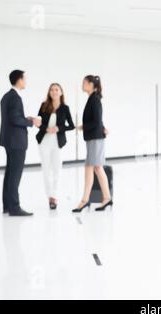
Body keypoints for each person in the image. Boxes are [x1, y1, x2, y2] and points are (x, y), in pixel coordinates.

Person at [0, 70, 41, 216]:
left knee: (10, 173)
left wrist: (26, 118)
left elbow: (14, 117)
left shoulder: (6, 97)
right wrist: (31, 122)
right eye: (24, 79)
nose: (26, 81)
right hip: (16, 141)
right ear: (18, 80)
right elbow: (15, 120)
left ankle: (7, 206)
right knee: (15, 175)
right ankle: (14, 208)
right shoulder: (15, 98)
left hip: (9, 140)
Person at [72, 75, 112, 212]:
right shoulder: (93, 99)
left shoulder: (94, 99)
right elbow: (98, 121)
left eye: (84, 82)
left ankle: (86, 200)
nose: (82, 85)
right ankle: (104, 198)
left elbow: (96, 121)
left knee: (94, 168)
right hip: (94, 138)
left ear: (90, 84)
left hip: (95, 138)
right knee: (95, 168)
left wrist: (84, 126)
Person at [36, 83, 75, 210]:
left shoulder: (65, 108)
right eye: (51, 90)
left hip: (58, 143)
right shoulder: (44, 105)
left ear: (61, 92)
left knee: (57, 170)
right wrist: (45, 128)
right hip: (44, 143)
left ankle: (55, 195)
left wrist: (59, 128)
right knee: (46, 170)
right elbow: (38, 122)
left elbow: (71, 126)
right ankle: (50, 197)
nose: (54, 92)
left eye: (56, 89)